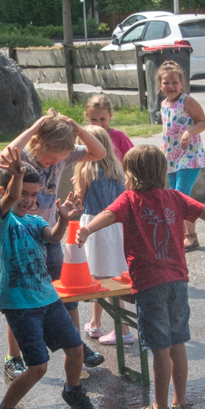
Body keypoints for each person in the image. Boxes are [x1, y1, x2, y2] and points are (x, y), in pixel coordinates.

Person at [76, 145, 205, 409]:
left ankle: (158, 407)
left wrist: (86, 229)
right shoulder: (174, 197)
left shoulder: (130, 199)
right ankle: (180, 405)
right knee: (177, 344)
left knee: (159, 347)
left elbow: (108, 215)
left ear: (131, 173)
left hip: (149, 285)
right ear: (161, 171)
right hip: (178, 283)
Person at [0, 148, 96, 409]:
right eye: (24, 193)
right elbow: (10, 199)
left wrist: (63, 219)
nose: (29, 200)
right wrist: (18, 174)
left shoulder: (35, 221)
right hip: (20, 304)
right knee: (38, 367)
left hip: (47, 298)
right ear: (6, 189)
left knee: (75, 351)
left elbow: (53, 237)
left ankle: (72, 390)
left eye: (34, 195)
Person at [0, 109, 107, 382]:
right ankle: (14, 357)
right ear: (38, 142)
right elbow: (6, 152)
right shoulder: (25, 157)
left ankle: (77, 345)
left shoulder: (64, 155)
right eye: (50, 157)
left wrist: (77, 128)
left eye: (59, 159)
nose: (53, 163)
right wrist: (36, 127)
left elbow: (100, 152)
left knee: (62, 293)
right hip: (21, 236)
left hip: (50, 235)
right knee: (22, 300)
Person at [72, 125, 134, 346]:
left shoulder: (86, 170)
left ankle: (123, 329)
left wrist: (76, 191)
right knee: (105, 277)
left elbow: (79, 201)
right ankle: (95, 323)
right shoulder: (118, 171)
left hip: (94, 225)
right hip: (115, 226)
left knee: (102, 279)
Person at [158, 60, 205, 251]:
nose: (170, 86)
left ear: (182, 84)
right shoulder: (164, 104)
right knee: (175, 196)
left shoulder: (187, 101)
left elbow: (203, 122)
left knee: (181, 195)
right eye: (166, 83)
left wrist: (189, 131)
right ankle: (183, 234)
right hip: (171, 157)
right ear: (159, 85)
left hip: (190, 156)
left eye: (174, 82)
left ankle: (189, 235)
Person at [83, 94, 134, 164]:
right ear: (87, 116)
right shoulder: (84, 137)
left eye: (102, 119)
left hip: (116, 174)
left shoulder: (119, 136)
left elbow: (132, 157)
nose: (98, 124)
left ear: (110, 115)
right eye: (93, 119)